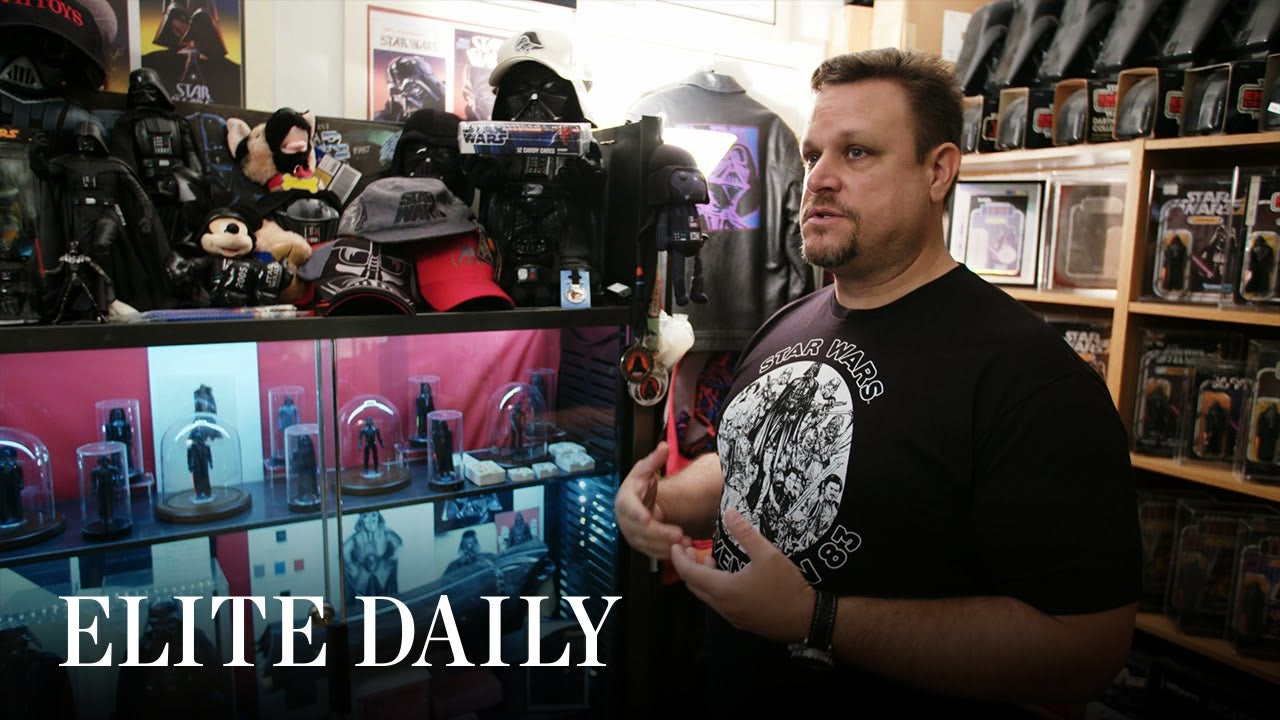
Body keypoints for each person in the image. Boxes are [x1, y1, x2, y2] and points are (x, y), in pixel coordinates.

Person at [614, 48, 1140, 716]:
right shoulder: (784, 326)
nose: (819, 180)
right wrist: (659, 501)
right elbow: (750, 460)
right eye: (812, 156)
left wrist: (817, 618)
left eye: (857, 153)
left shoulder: (1029, 378)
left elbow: (1085, 649)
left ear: (938, 170)